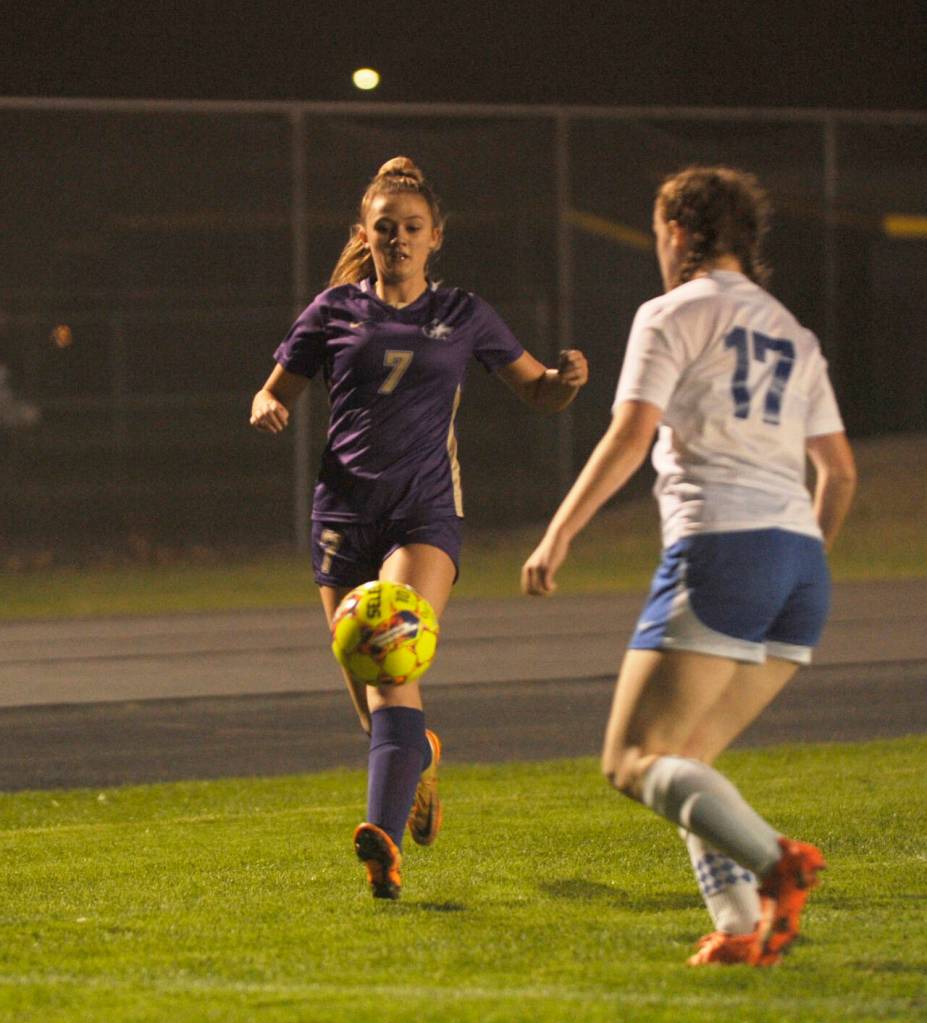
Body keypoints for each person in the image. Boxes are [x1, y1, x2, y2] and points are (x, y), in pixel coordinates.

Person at [521, 166, 856, 965]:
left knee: (630, 760)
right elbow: (839, 472)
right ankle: (740, 929)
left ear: (676, 231)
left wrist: (558, 533)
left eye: (657, 234)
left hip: (723, 547)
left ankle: (776, 862)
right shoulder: (793, 332)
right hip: (799, 564)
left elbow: (630, 434)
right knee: (684, 759)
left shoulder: (672, 312)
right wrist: (794, 562)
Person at [251, 156, 588, 900]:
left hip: (423, 513)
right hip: (342, 515)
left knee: (389, 663)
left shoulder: (464, 313)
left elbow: (538, 392)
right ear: (363, 235)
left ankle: (383, 845)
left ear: (436, 236)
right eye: (385, 227)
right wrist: (267, 405)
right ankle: (420, 760)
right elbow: (272, 391)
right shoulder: (332, 311)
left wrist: (563, 384)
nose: (398, 238)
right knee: (374, 701)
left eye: (412, 227)